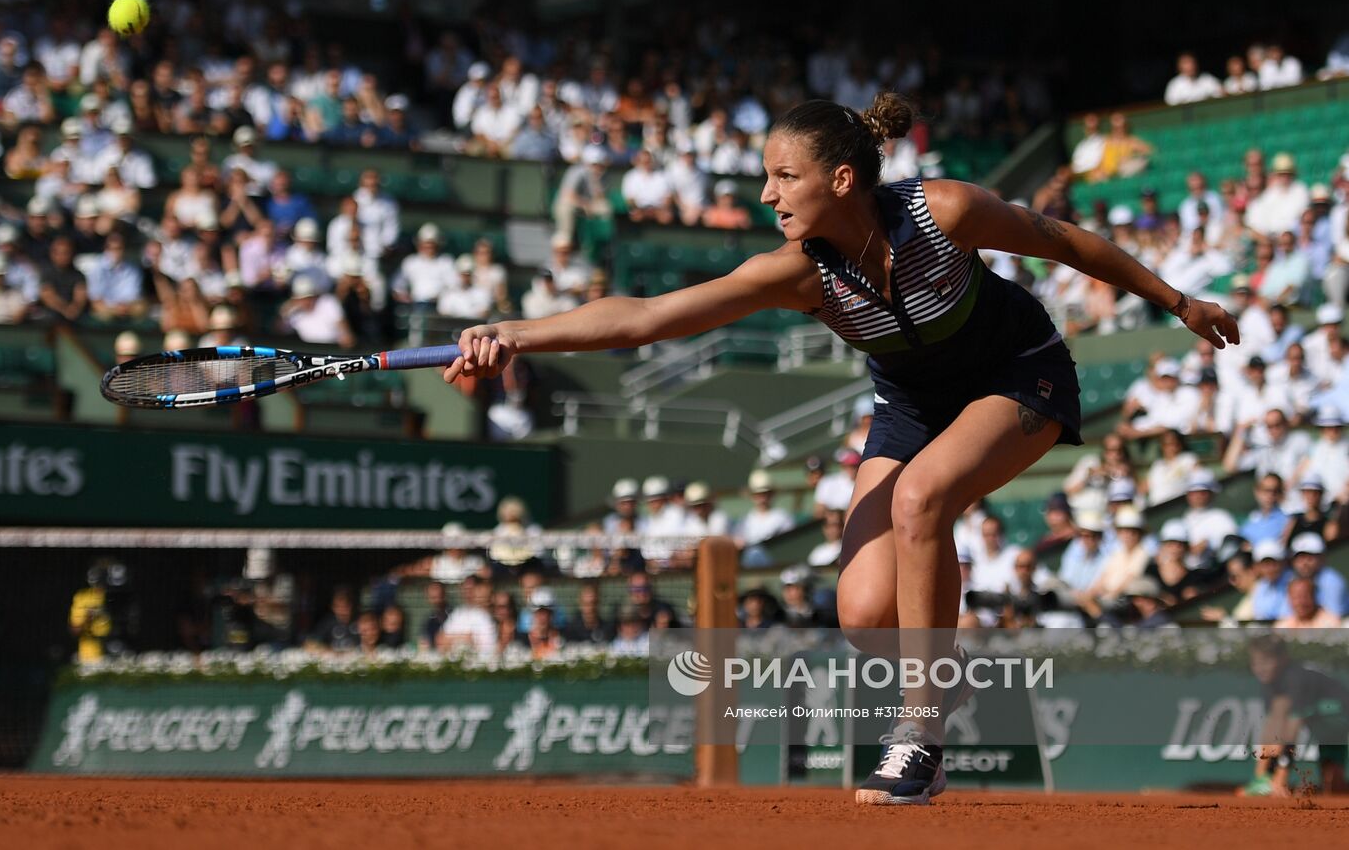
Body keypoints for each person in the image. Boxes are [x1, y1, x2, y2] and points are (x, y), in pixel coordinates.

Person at [438, 92, 1238, 806]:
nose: (766, 194)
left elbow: (1067, 242)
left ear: (843, 180)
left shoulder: (947, 211)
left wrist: (1179, 302)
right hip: (911, 403)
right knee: (861, 618)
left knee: (923, 498)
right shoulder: (797, 275)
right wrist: (516, 334)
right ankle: (946, 677)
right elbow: (648, 316)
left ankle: (920, 734)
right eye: (767, 177)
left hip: (1017, 374)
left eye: (784, 176)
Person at [1241, 635, 1349, 796]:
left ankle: (1274, 779)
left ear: (1283, 659)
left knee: (1334, 787)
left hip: (1337, 716)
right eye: (1256, 663)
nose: (1261, 668)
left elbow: (1291, 732)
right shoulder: (1270, 681)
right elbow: (1271, 728)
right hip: (1318, 718)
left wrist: (1281, 776)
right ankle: (1262, 779)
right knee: (1334, 785)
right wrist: (1260, 776)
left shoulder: (1294, 679)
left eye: (1267, 661)